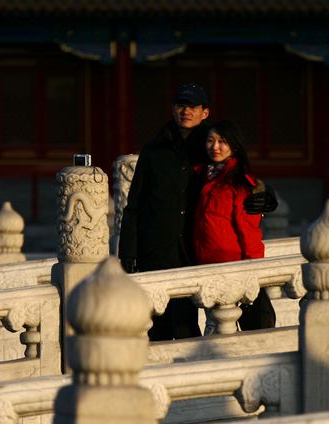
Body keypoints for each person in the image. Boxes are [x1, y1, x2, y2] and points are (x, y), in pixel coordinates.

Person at [119, 84, 277, 341]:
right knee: (155, 324)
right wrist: (127, 251)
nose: (186, 111)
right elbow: (134, 204)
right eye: (181, 106)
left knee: (185, 324)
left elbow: (238, 173)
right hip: (156, 247)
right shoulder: (154, 150)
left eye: (193, 107)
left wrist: (265, 194)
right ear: (173, 109)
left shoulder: (210, 145)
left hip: (191, 249)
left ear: (205, 112)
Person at [193, 120, 276, 331]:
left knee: (243, 328)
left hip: (232, 265)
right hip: (205, 264)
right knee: (215, 326)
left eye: (222, 141)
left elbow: (248, 230)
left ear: (234, 146)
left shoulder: (240, 183)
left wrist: (255, 269)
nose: (215, 147)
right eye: (210, 141)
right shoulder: (201, 176)